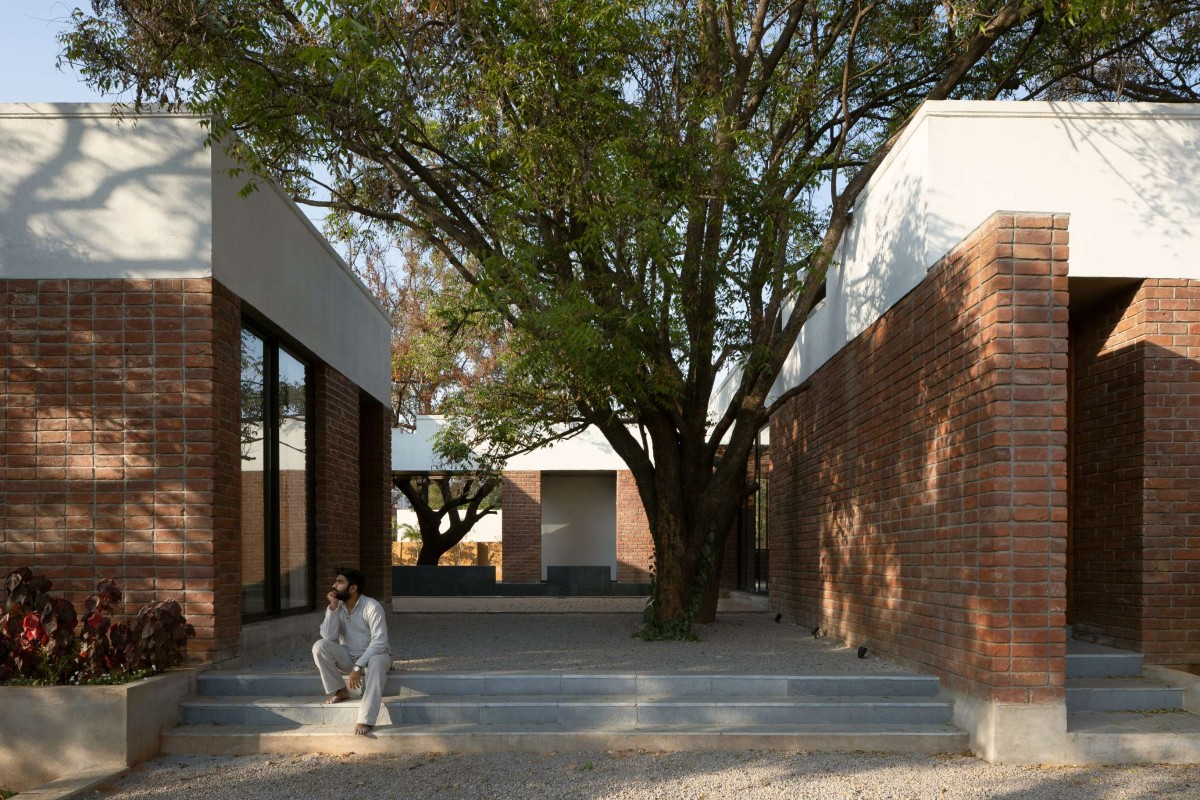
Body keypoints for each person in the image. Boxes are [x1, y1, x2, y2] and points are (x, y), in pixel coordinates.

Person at [312, 567, 391, 735]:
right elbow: (328, 636)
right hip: (349, 657)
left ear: (353, 588)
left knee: (377, 661)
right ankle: (340, 689)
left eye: (340, 582)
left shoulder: (372, 606)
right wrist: (332, 608)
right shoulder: (338, 606)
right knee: (320, 645)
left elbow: (380, 642)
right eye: (336, 581)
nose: (334, 585)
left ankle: (365, 719)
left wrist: (358, 666)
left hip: (376, 657)